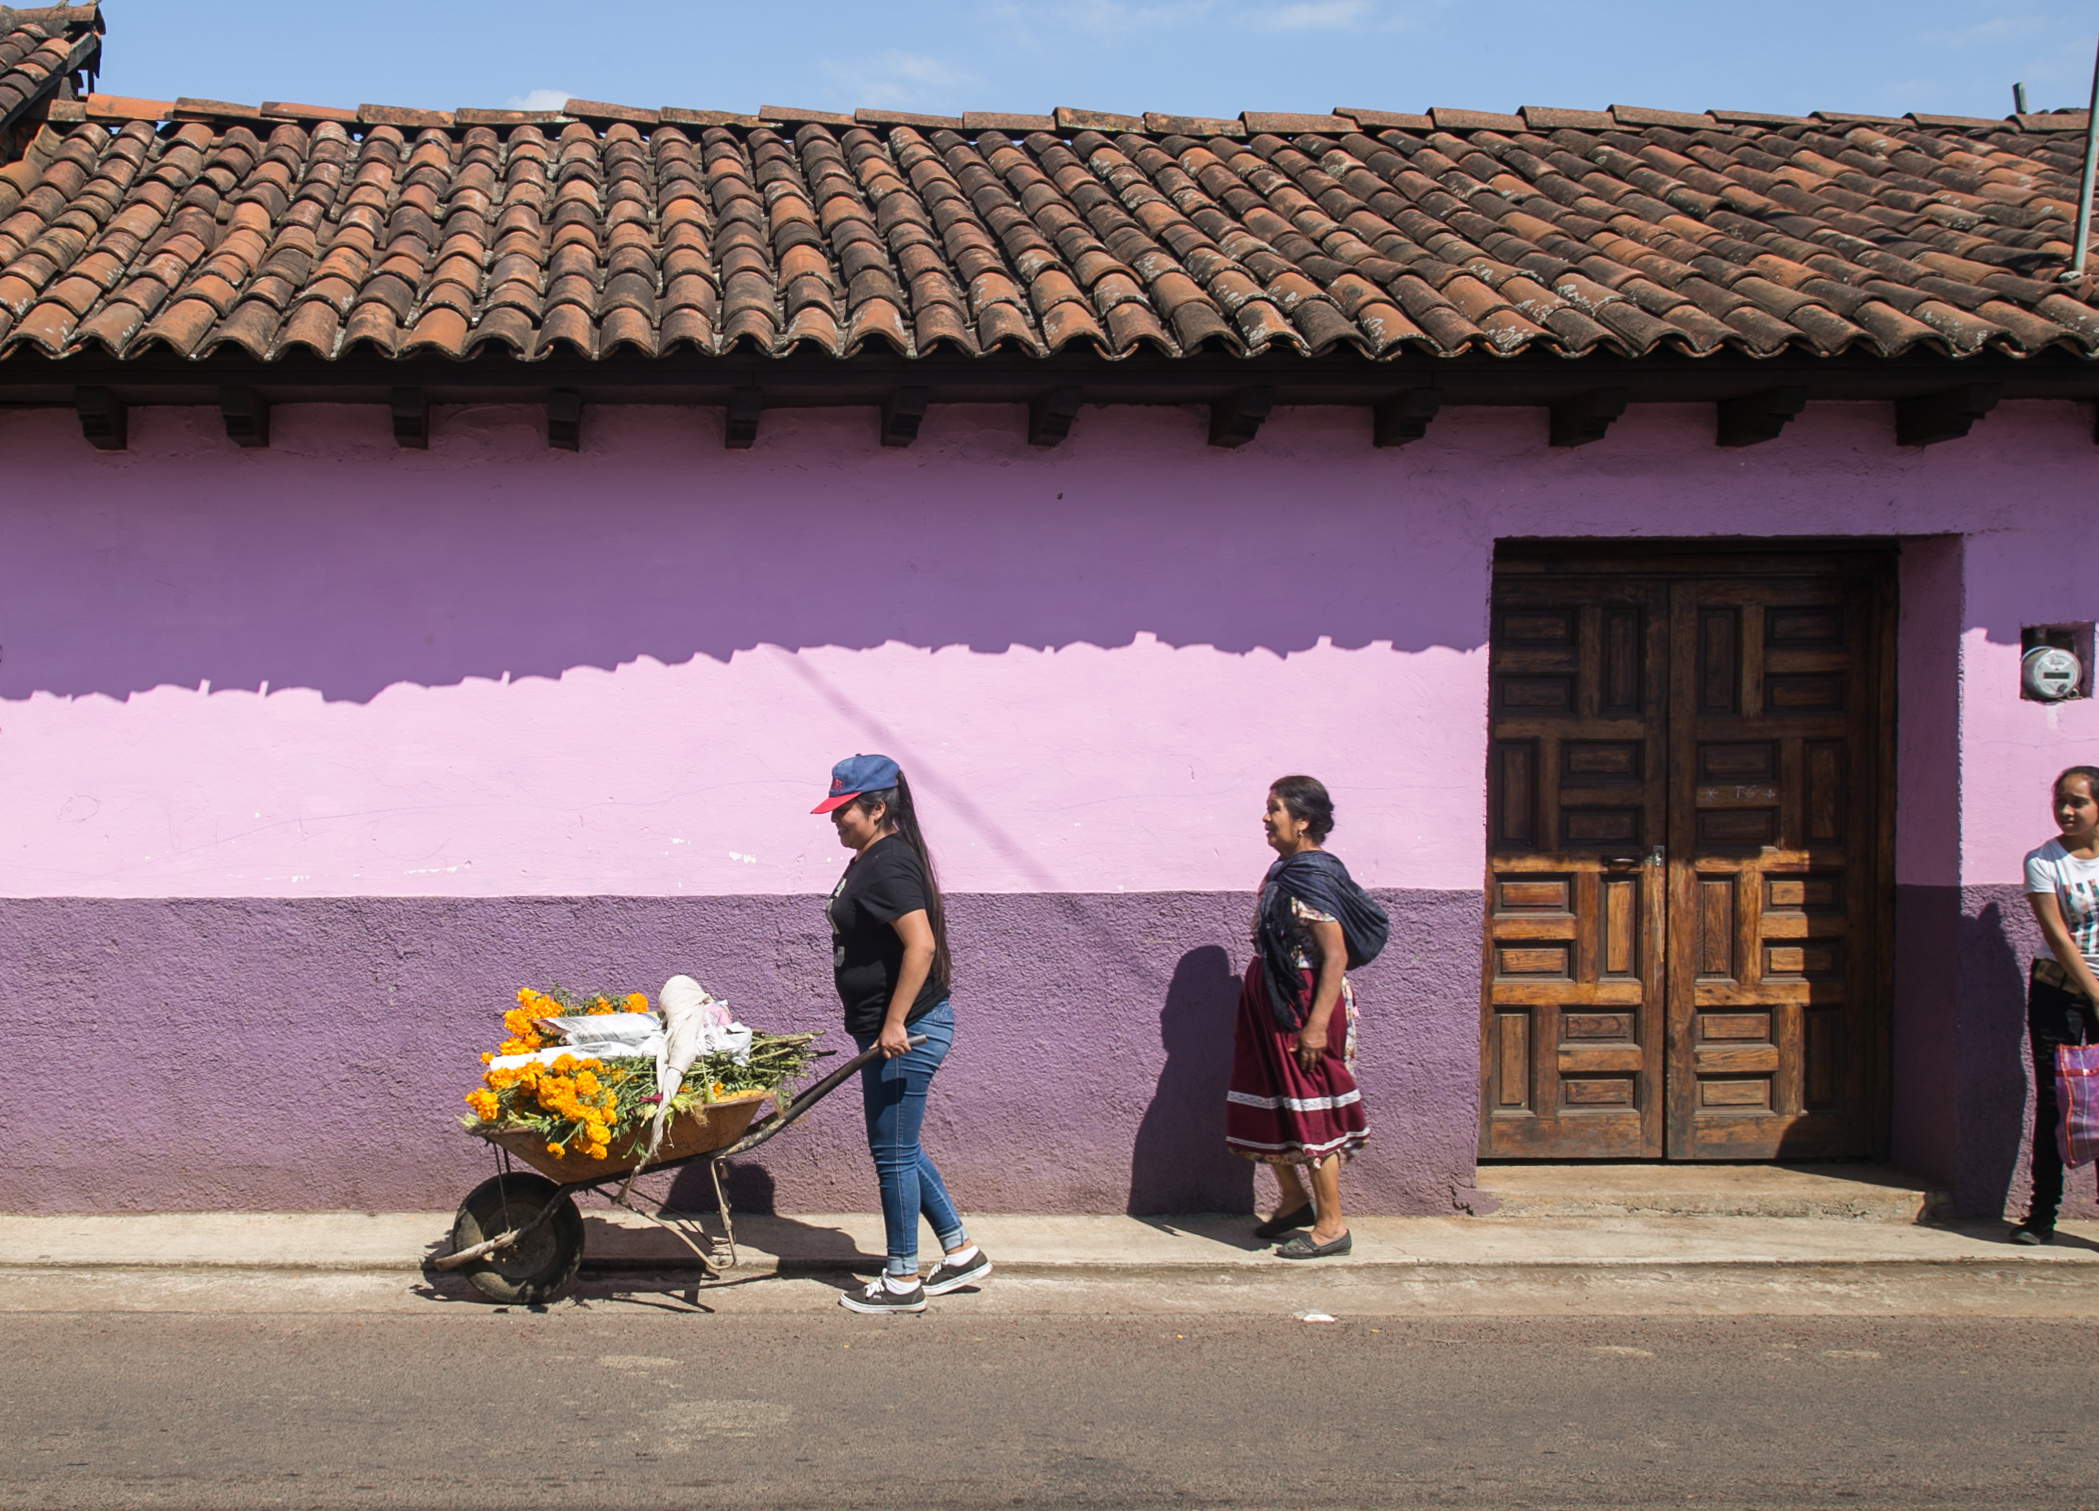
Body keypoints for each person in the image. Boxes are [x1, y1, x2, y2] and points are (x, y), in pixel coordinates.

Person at [813, 753, 990, 1312]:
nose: (834, 819)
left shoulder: (887, 862)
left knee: (890, 1153)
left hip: (907, 1033)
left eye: (844, 810)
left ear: (877, 806)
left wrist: (892, 1023)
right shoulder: (873, 856)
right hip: (895, 1031)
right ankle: (960, 1252)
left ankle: (902, 1280)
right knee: (899, 1148)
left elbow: (922, 945)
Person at [1227, 775, 1387, 1259]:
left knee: (1309, 1104)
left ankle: (1331, 1225)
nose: (1265, 818)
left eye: (1274, 809)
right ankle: (1294, 1201)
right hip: (1273, 1002)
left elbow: (1333, 957)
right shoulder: (1285, 869)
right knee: (1272, 1101)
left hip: (1301, 1007)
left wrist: (1316, 1026)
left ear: (1303, 821)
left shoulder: (1311, 877)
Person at [2015, 764, 2099, 1245]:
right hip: (2059, 991)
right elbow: (2058, 937)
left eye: (2078, 802)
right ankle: (2041, 1214)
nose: (2066, 811)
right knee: (2056, 1102)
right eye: (2060, 801)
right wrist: (2094, 991)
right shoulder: (2044, 861)